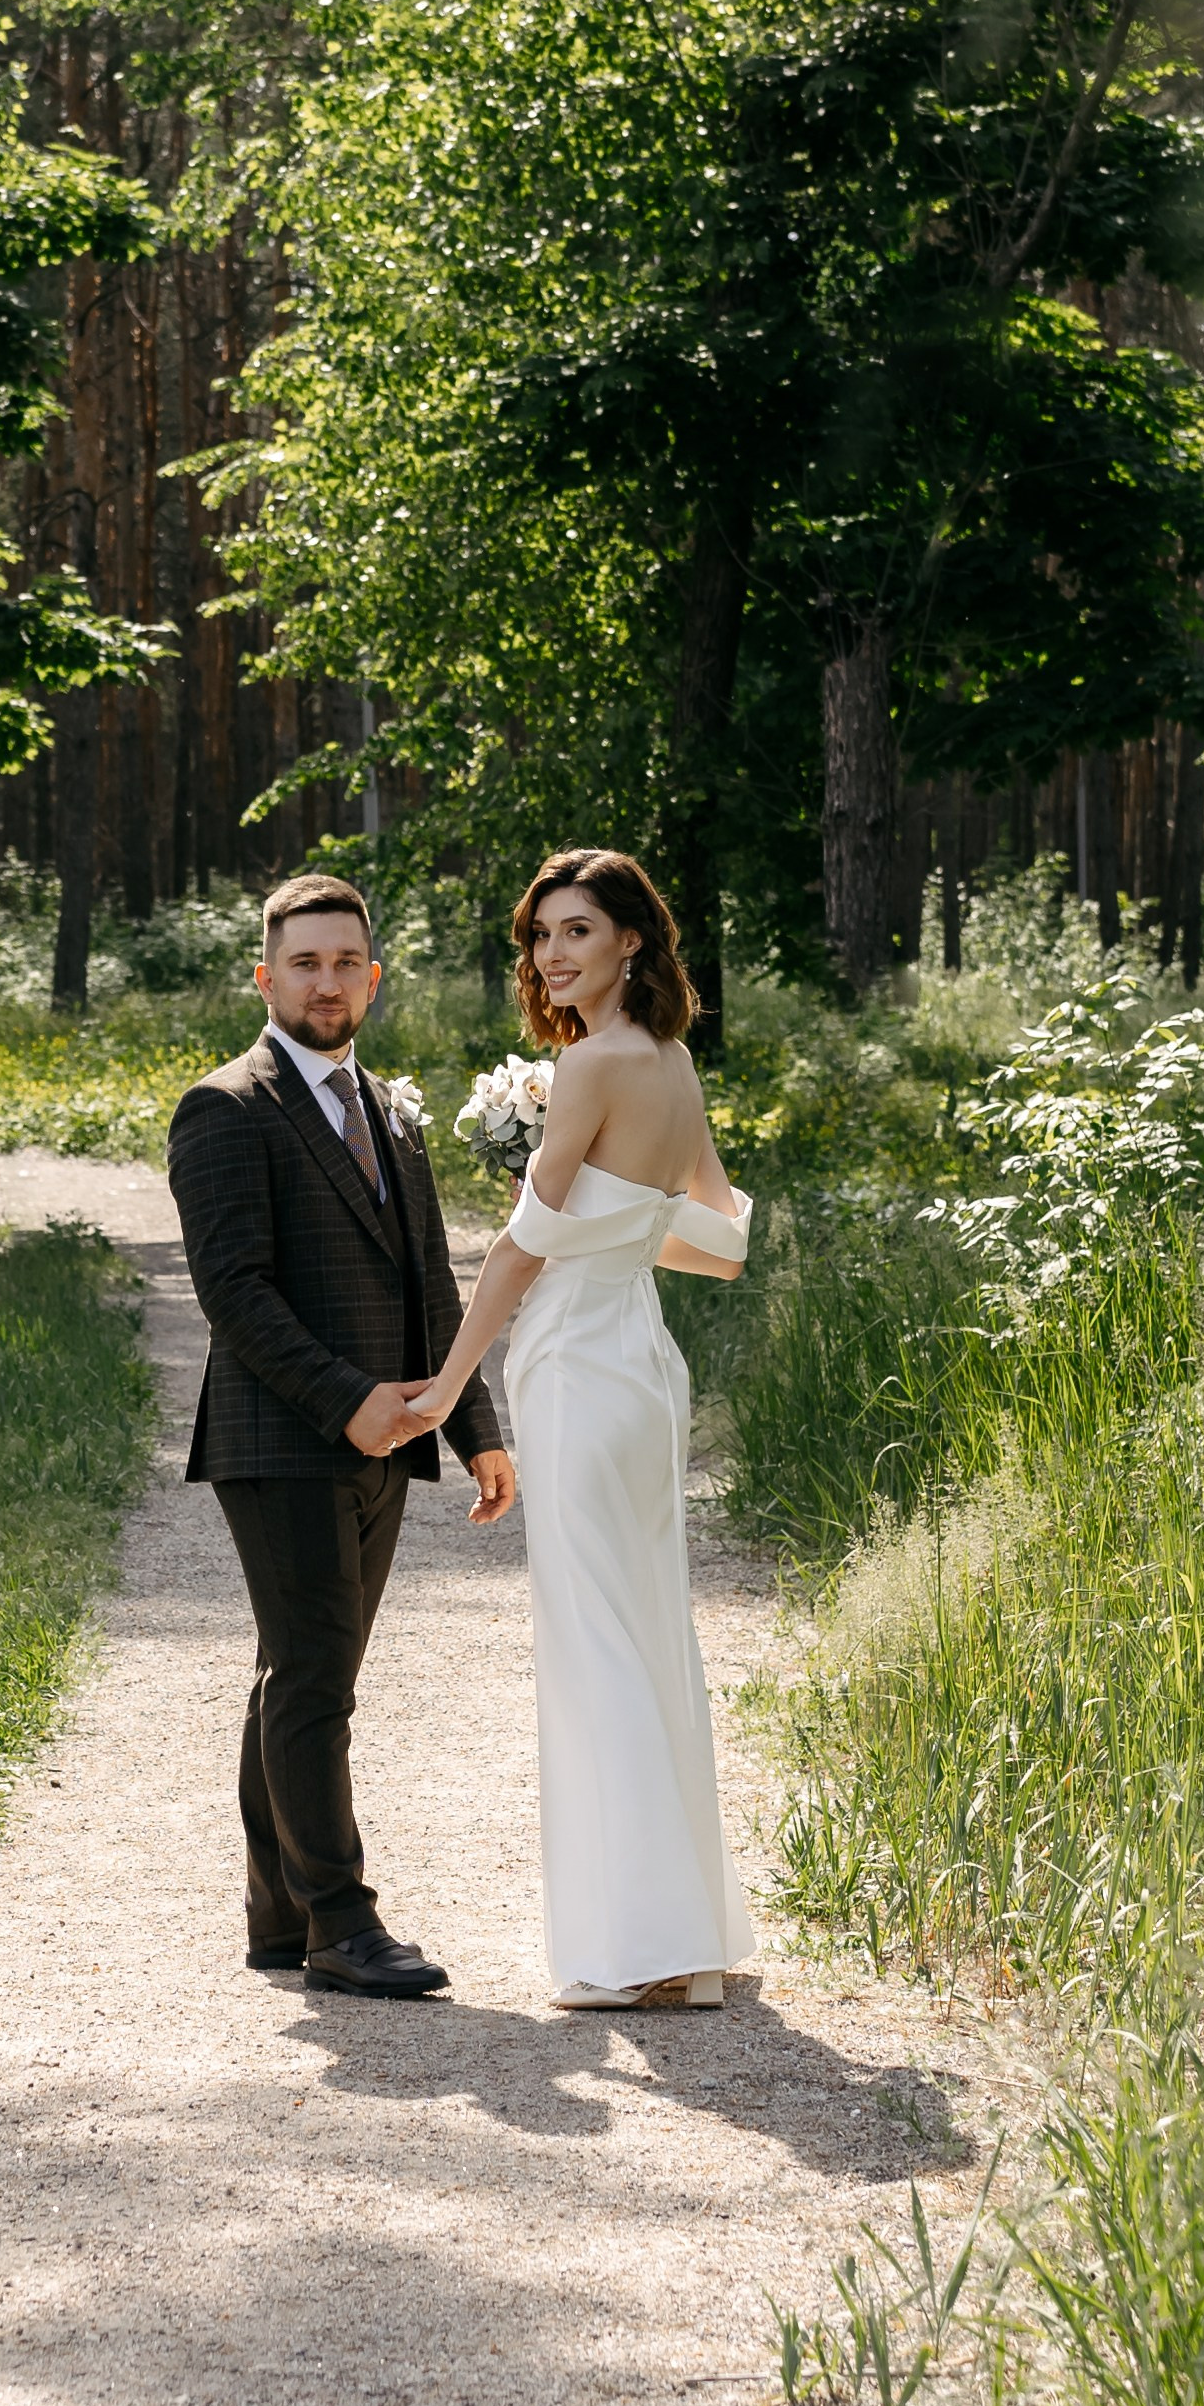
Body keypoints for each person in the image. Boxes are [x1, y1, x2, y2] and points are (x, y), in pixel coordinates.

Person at [396, 848, 754, 2012]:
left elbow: (518, 1253)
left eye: (579, 933)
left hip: (576, 1366)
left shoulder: (595, 1062)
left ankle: (640, 1953)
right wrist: (616, 1225)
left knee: (597, 1644)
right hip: (641, 1362)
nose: (554, 956)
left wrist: (448, 1388)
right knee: (644, 1632)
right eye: (541, 936)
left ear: (632, 941)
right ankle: (681, 1946)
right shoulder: (672, 1060)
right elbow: (721, 1243)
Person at [167, 872, 517, 1999]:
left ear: (374, 974)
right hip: (281, 1437)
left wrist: (475, 1428)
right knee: (316, 1675)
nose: (328, 981)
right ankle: (342, 1922)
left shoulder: (391, 1113)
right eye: (304, 963)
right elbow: (235, 1291)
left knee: (302, 1672)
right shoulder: (224, 1105)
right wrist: (346, 1399)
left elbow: (431, 1286)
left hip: (387, 1442)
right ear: (265, 977)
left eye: (345, 961)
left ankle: (279, 1918)